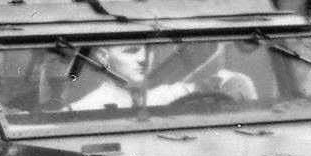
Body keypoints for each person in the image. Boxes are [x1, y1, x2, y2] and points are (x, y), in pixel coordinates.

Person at [68, 42, 256, 110]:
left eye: (144, 49)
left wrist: (234, 85)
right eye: (131, 51)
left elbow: (227, 81)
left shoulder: (162, 94)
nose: (142, 59)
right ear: (102, 57)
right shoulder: (87, 107)